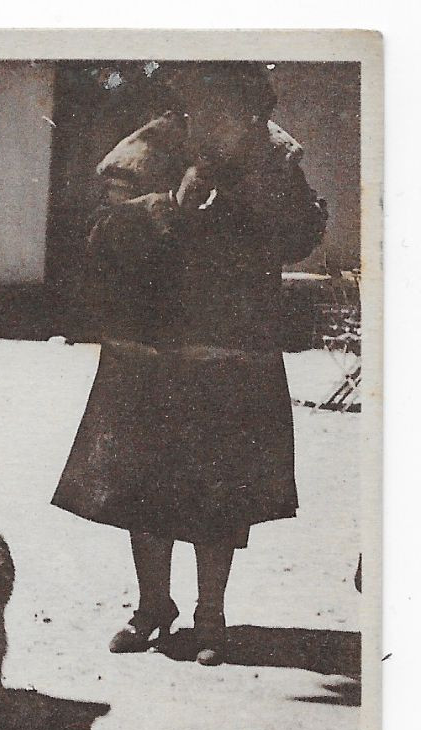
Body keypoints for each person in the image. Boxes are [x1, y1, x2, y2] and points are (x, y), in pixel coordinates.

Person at [52, 63, 328, 666]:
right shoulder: (148, 149)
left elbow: (302, 233)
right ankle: (155, 606)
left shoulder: (273, 156)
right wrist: (164, 207)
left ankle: (210, 616)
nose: (223, 119)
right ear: (187, 102)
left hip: (230, 348)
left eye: (238, 107)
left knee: (218, 486)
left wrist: (257, 202)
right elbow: (98, 237)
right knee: (142, 482)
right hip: (150, 347)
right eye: (208, 102)